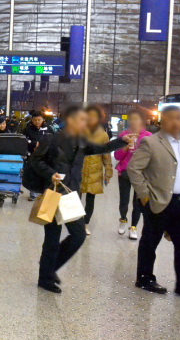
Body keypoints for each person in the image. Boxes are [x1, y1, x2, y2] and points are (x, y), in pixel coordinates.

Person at [30, 106, 132, 293]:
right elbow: (36, 161)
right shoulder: (51, 138)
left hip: (70, 194)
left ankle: (49, 266)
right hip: (53, 192)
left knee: (78, 235)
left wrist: (121, 141)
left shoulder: (82, 141)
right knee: (52, 238)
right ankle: (45, 278)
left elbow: (102, 148)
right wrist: (51, 173)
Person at [127, 105, 180, 296]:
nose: (176, 122)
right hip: (157, 201)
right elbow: (133, 168)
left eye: (179, 118)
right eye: (171, 118)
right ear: (162, 121)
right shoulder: (151, 142)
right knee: (150, 241)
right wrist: (145, 196)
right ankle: (145, 278)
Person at [114, 109, 151, 239]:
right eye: (132, 119)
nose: (134, 122)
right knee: (124, 200)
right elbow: (117, 156)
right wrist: (125, 147)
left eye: (137, 119)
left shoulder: (148, 136)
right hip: (124, 172)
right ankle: (123, 220)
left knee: (138, 202)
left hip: (141, 174)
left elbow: (152, 157)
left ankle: (133, 227)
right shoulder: (123, 135)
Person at [80, 105, 113, 236]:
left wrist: (108, 171)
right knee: (75, 197)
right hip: (79, 170)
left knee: (90, 199)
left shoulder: (103, 135)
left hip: (95, 171)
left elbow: (106, 154)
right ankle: (75, 223)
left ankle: (85, 223)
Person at [23, 111, 48, 201]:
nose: (37, 122)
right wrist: (33, 143)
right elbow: (23, 139)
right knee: (33, 173)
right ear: (32, 120)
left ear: (42, 119)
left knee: (43, 173)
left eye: (39, 120)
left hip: (45, 155)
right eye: (35, 120)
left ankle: (43, 193)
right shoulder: (27, 129)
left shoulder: (47, 128)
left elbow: (52, 139)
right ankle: (33, 193)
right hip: (32, 154)